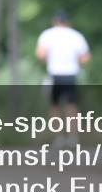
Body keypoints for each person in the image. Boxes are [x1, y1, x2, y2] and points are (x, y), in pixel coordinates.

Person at [36, 11, 91, 148]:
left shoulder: (48, 34)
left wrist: (50, 59)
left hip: (54, 73)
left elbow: (40, 54)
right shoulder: (76, 36)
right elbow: (85, 58)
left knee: (54, 106)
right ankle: (73, 137)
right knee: (71, 106)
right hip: (71, 74)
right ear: (67, 22)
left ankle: (59, 137)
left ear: (55, 21)